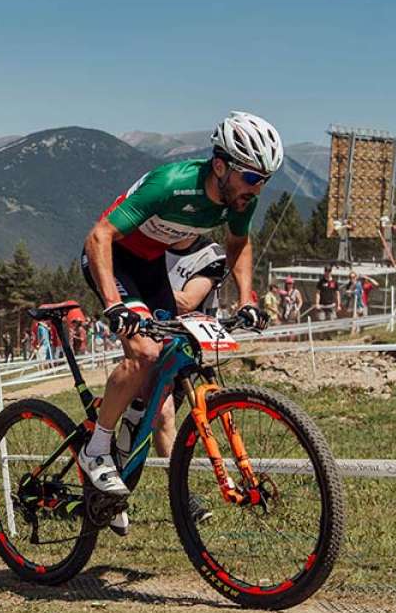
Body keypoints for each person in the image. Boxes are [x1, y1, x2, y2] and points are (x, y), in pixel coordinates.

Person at [80, 110, 278, 536]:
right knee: (145, 351)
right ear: (221, 166)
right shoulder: (171, 185)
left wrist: (248, 298)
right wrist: (116, 306)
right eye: (251, 177)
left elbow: (239, 243)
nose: (257, 188)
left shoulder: (240, 196)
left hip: (150, 266)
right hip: (114, 259)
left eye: (264, 179)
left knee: (170, 364)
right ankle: (96, 450)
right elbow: (98, 237)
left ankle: (128, 438)